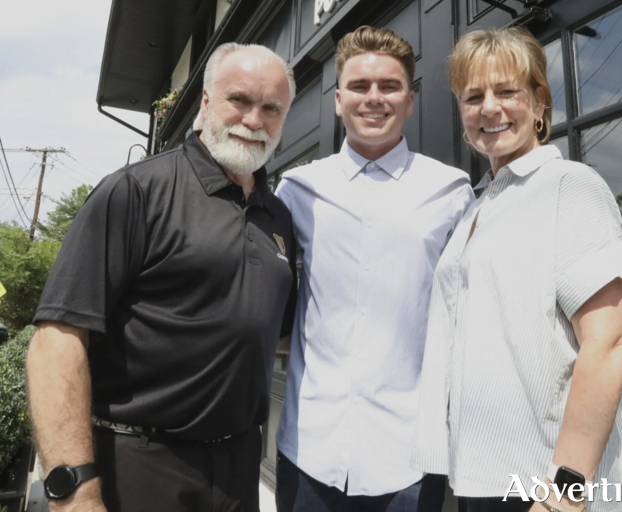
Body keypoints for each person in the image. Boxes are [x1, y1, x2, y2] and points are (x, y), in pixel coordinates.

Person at [26, 42, 297, 512]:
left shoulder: (278, 217)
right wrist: (75, 493)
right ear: (206, 102)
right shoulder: (136, 191)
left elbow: (280, 337)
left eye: (271, 108)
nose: (255, 120)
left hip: (239, 468)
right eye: (240, 100)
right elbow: (58, 340)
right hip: (139, 464)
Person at [412, 27, 622, 512]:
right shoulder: (477, 207)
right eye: (473, 97)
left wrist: (566, 490)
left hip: (545, 485)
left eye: (507, 91)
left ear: (539, 104)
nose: (489, 108)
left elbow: (609, 341)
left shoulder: (569, 185)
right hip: (482, 476)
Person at [274, 25, 474, 512]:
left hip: (408, 453)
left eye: (390, 86)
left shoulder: (452, 192)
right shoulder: (296, 189)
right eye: (360, 87)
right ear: (339, 100)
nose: (374, 98)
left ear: (410, 100)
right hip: (309, 448)